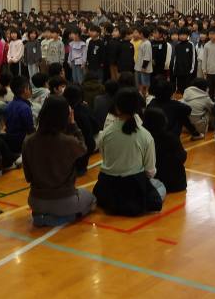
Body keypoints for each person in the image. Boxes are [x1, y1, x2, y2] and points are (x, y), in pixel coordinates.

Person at [22, 95, 96, 227]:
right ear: (65, 117)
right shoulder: (67, 142)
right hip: (64, 200)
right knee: (91, 199)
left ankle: (42, 217)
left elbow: (28, 177)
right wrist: (73, 125)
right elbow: (83, 148)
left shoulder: (28, 141)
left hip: (36, 200)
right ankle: (64, 218)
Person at [93, 88, 165, 216]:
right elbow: (150, 171)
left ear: (117, 108)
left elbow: (105, 159)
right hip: (133, 188)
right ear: (137, 109)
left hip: (107, 186)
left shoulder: (105, 133)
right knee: (160, 185)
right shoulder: (145, 135)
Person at [142, 107, 187, 193]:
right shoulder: (172, 137)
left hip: (155, 181)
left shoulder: (144, 139)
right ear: (163, 121)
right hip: (177, 184)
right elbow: (182, 157)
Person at [63, 84, 98, 176]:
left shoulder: (63, 109)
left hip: (69, 147)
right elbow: (96, 126)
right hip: (86, 145)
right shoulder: (84, 108)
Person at [172, 28, 196, 94]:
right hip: (179, 71)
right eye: (180, 35)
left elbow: (193, 58)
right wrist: (174, 69)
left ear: (187, 35)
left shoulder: (190, 44)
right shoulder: (177, 45)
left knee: (187, 88)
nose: (182, 36)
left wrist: (192, 70)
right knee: (180, 88)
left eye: (184, 34)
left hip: (188, 71)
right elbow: (175, 58)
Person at [132, 26, 152, 97]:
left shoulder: (147, 43)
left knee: (145, 82)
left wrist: (144, 67)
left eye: (139, 33)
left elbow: (147, 57)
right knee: (140, 82)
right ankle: (140, 94)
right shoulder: (142, 42)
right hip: (139, 66)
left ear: (142, 34)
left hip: (144, 68)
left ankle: (146, 94)